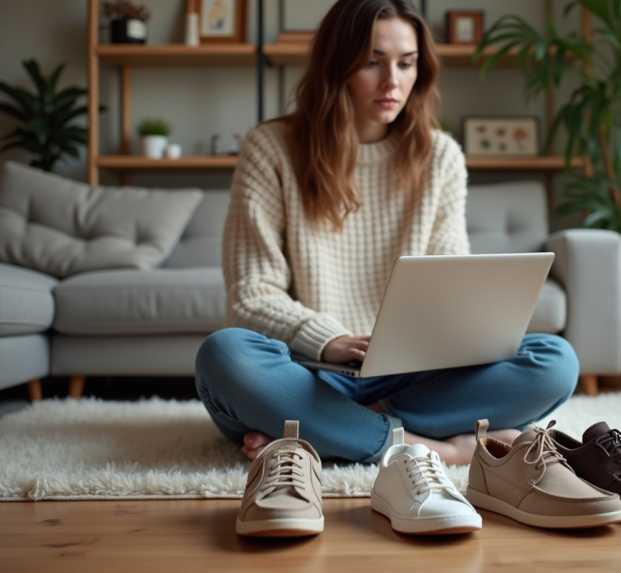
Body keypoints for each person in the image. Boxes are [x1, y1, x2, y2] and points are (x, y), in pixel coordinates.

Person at [195, 0, 579, 466]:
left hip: (411, 377)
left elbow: (453, 282)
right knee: (225, 356)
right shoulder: (270, 148)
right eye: (373, 61)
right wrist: (329, 340)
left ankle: (324, 430)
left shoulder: (441, 157)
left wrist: (457, 334)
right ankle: (437, 447)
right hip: (311, 372)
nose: (391, 80)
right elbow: (251, 295)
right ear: (338, 64)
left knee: (555, 361)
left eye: (406, 62)